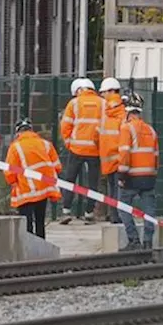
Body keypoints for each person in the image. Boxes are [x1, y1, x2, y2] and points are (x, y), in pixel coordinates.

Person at [4, 117, 62, 239]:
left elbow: (10, 172)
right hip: (44, 189)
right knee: (40, 222)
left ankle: (29, 248)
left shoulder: (15, 147)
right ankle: (42, 248)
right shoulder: (46, 144)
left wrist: (13, 182)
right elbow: (57, 167)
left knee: (27, 223)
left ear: (18, 132)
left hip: (26, 191)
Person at [116, 92, 159, 251]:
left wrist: (122, 175)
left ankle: (134, 240)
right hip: (148, 177)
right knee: (149, 210)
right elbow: (156, 156)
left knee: (123, 207)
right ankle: (148, 241)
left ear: (127, 111)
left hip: (131, 177)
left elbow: (124, 153)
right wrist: (153, 174)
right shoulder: (151, 130)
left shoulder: (127, 128)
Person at [57, 77, 103, 224]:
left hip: (77, 149)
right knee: (93, 183)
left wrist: (70, 143)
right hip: (96, 150)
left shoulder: (74, 103)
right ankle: (89, 213)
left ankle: (66, 211)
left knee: (70, 180)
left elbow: (65, 126)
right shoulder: (103, 103)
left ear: (77, 90)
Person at [97, 77, 125, 224]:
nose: (102, 95)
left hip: (110, 159)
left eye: (104, 92)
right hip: (118, 159)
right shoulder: (120, 113)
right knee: (117, 191)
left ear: (112, 91)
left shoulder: (107, 114)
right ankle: (116, 216)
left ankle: (116, 216)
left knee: (114, 190)